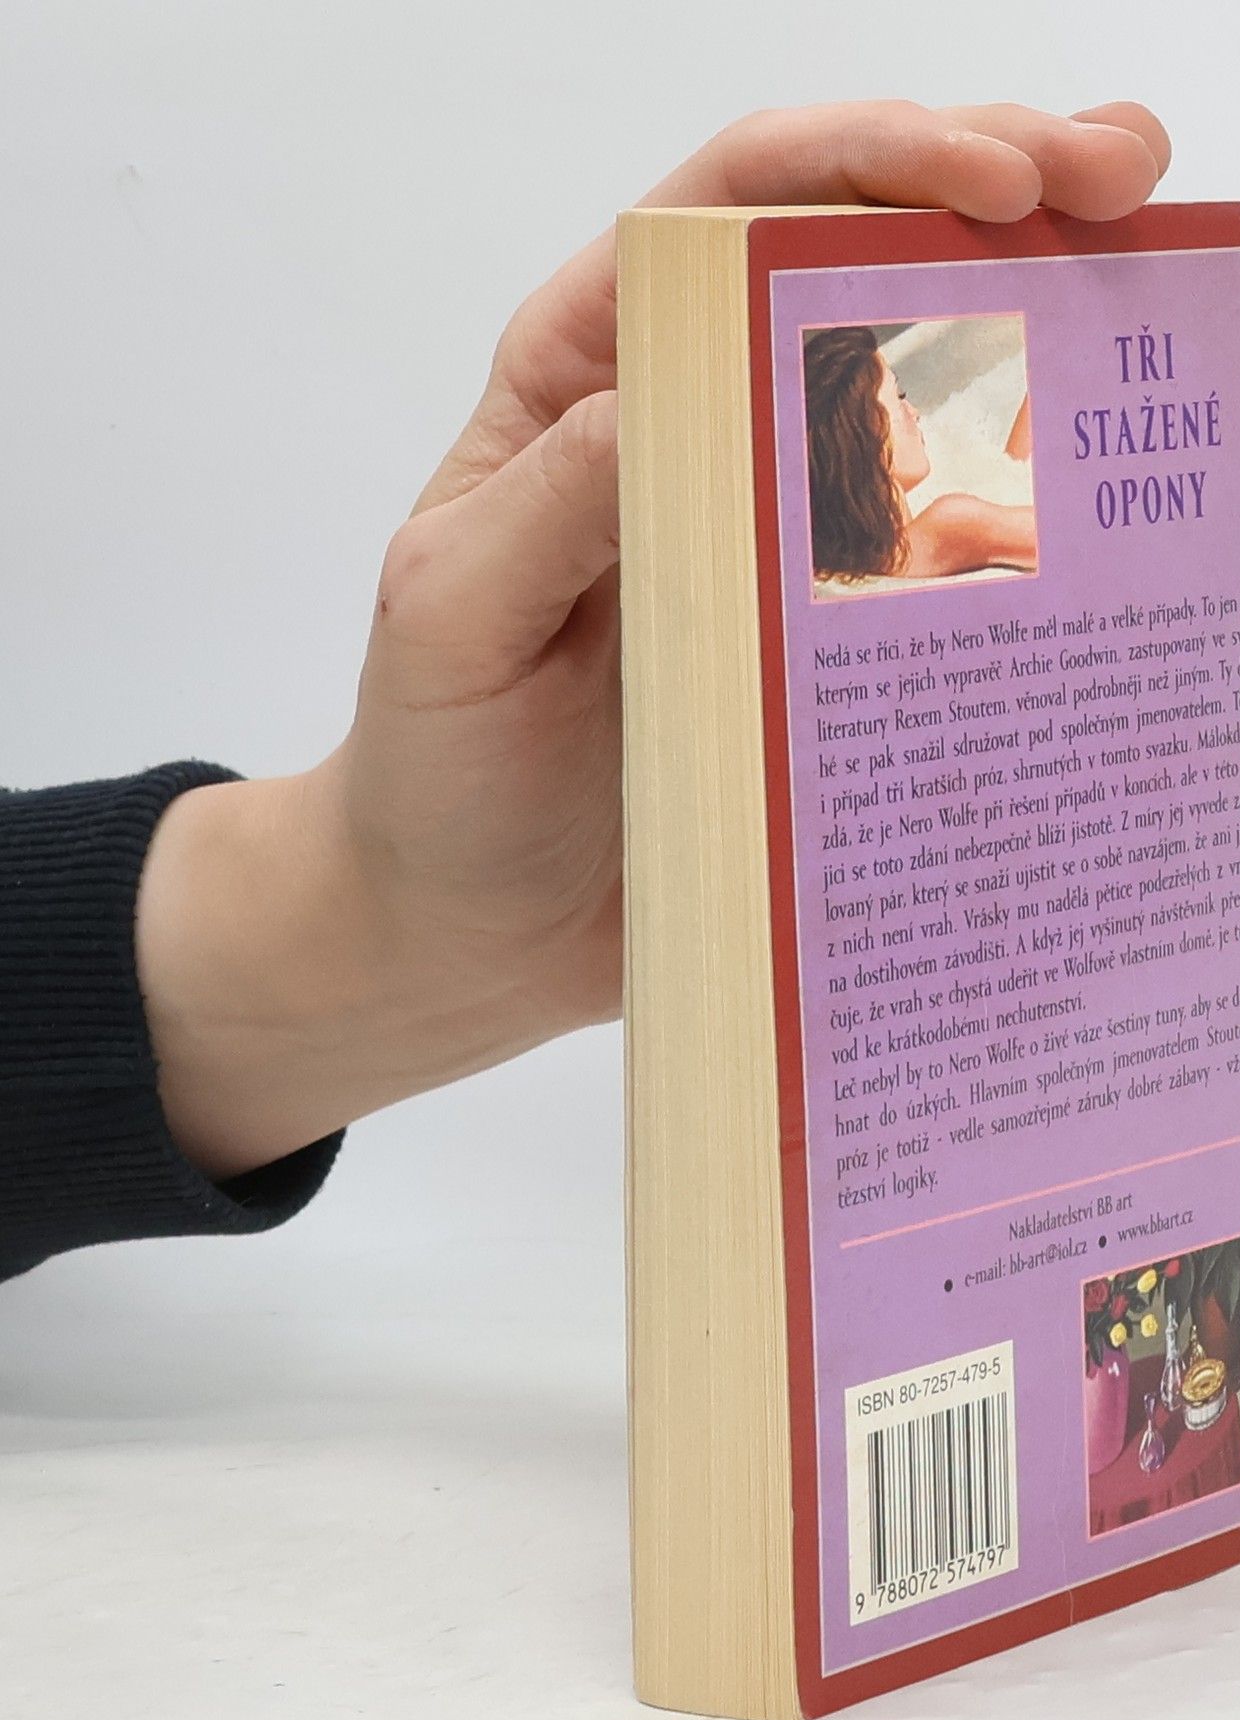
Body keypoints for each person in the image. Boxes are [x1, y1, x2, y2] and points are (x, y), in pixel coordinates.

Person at [0, 98, 1171, 1282]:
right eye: (892, 393)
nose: (909, 404)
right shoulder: (928, 528)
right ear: (854, 434)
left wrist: (384, 923)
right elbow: (1068, 531)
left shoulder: (857, 554)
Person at [804, 326, 1038, 581]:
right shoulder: (947, 527)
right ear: (867, 439)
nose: (914, 412)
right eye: (899, 397)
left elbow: (1010, 470)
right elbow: (1062, 529)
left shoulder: (863, 557)